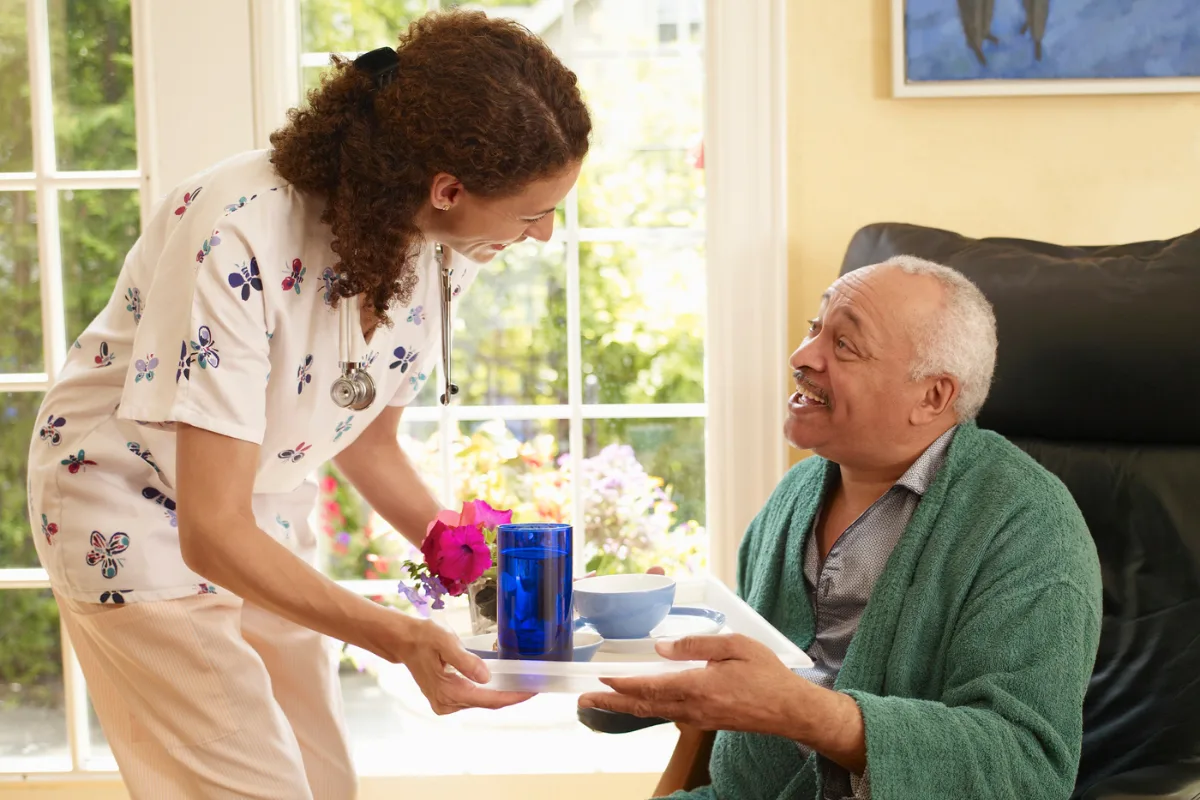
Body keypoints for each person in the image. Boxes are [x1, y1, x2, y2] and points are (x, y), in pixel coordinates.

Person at [26, 10, 590, 800]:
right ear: (448, 187)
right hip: (128, 505)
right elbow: (210, 530)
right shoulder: (237, 229)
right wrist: (400, 638)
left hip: (259, 508)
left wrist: (472, 560)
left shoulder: (445, 246)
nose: (543, 234)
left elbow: (367, 441)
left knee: (325, 785)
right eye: (534, 212)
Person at [579, 257, 1104, 800]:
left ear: (932, 397)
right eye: (815, 328)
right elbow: (748, 684)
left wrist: (805, 713)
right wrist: (656, 657)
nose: (802, 357)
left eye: (845, 345)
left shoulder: (1029, 527)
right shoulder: (796, 494)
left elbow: (1028, 771)